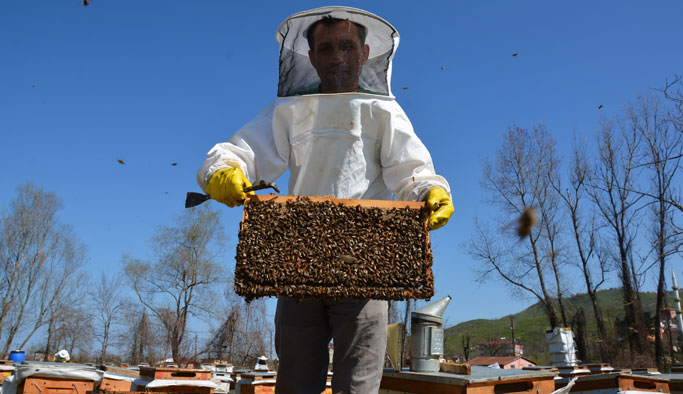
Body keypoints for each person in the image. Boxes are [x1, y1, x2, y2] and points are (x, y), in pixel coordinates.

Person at [196, 6, 453, 394]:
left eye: (347, 46)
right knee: (295, 384)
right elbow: (241, 151)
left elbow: (412, 172)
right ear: (311, 56)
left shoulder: (384, 111)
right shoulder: (289, 110)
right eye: (327, 48)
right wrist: (224, 171)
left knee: (359, 387)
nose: (337, 56)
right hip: (299, 267)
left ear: (365, 54)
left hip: (367, 270)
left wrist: (430, 193)